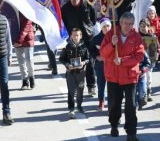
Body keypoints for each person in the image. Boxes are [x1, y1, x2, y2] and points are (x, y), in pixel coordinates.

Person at [100, 12, 144, 141]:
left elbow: (139, 56)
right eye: (125, 23)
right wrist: (111, 45)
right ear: (120, 23)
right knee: (114, 105)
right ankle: (114, 124)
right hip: (113, 76)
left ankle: (131, 133)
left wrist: (123, 61)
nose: (127, 26)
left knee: (131, 106)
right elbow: (103, 53)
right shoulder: (110, 34)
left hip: (130, 77)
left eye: (130, 24)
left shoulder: (136, 37)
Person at [61, 0, 96, 93]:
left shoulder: (87, 5)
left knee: (89, 62)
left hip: (87, 37)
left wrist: (89, 29)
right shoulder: (65, 9)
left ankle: (91, 86)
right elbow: (64, 23)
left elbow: (93, 19)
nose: (74, 0)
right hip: (74, 39)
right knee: (74, 64)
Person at [60, 28, 90, 118]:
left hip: (80, 72)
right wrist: (67, 64)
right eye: (74, 35)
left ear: (80, 36)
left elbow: (88, 58)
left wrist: (83, 63)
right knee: (71, 91)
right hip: (70, 73)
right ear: (71, 36)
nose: (76, 37)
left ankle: (79, 106)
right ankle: (71, 109)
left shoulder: (84, 46)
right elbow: (61, 58)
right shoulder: (67, 46)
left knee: (80, 90)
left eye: (77, 35)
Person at [89, 17, 111, 111]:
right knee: (101, 84)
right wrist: (97, 57)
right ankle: (101, 101)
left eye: (108, 26)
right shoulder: (96, 39)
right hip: (100, 65)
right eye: (104, 26)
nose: (106, 28)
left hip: (111, 66)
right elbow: (91, 50)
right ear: (101, 28)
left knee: (111, 85)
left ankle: (111, 102)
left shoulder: (114, 37)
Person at [14, 14, 36, 90]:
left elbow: (26, 26)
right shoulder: (12, 9)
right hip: (16, 37)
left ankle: (31, 76)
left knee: (29, 60)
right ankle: (24, 80)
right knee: (21, 61)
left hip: (27, 38)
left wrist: (19, 40)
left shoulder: (25, 9)